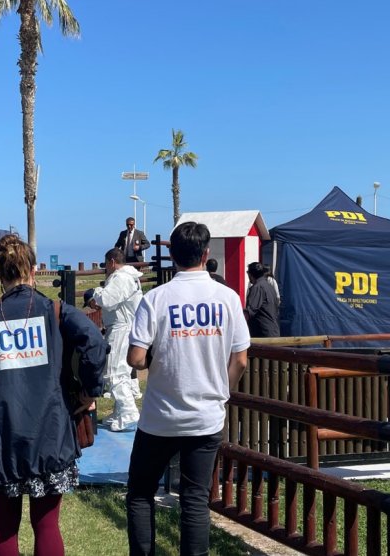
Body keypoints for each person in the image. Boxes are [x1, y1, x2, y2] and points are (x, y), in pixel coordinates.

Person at [0, 234, 107, 556]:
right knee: (46, 525)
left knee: (4, 526)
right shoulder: (54, 311)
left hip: (3, 437)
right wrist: (89, 391)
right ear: (33, 270)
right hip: (50, 434)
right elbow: (95, 343)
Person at [125, 222, 250, 556]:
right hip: (206, 416)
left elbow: (136, 357)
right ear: (206, 254)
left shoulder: (156, 298)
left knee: (140, 493)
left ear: (172, 255)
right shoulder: (228, 298)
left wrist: (153, 357)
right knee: (195, 500)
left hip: (160, 417)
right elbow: (240, 359)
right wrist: (223, 392)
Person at [88, 248, 144, 431]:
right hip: (125, 327)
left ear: (112, 262)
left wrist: (96, 292)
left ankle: (129, 412)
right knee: (122, 371)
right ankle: (120, 411)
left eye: (106, 264)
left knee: (114, 372)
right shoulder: (130, 277)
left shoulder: (121, 278)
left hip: (121, 328)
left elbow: (107, 300)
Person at [245, 262, 281, 338]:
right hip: (272, 331)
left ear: (250, 274)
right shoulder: (269, 287)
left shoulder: (257, 287)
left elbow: (250, 311)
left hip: (262, 333)